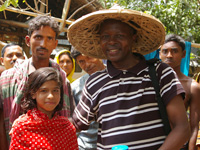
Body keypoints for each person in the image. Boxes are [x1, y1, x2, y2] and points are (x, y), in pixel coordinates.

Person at [67, 6, 190, 149]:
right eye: (105, 36)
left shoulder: (159, 72)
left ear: (133, 38)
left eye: (119, 35)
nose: (111, 41)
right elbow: (76, 124)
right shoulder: (95, 82)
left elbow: (182, 128)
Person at [0, 15, 75, 148]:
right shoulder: (7, 78)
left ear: (55, 44)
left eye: (49, 38)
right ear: (28, 41)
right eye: (38, 37)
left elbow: (67, 117)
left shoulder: (62, 79)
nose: (43, 44)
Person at [9, 67, 78, 150]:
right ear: (33, 93)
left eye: (55, 90)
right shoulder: (21, 127)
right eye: (44, 91)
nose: (51, 96)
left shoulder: (67, 128)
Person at [159, 34, 200, 150]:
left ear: (183, 54)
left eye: (175, 51)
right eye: (165, 51)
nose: (169, 55)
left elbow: (194, 126)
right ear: (159, 54)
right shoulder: (151, 81)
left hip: (179, 145)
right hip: (152, 142)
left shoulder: (192, 86)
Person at [70, 46, 105, 150]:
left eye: (89, 57)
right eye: (81, 62)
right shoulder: (76, 87)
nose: (87, 64)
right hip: (86, 145)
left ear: (98, 54)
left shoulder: (117, 76)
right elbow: (74, 122)